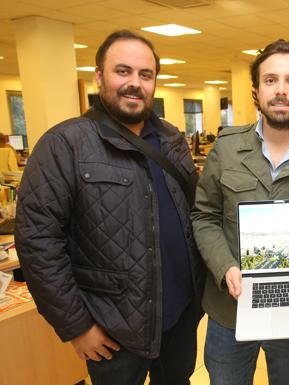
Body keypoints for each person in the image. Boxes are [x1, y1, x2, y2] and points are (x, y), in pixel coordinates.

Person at [14, 30, 205, 385]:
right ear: (100, 76)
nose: (135, 83)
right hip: (114, 329)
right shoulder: (64, 144)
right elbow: (37, 242)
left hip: (180, 316)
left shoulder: (170, 139)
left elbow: (196, 214)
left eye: (145, 75)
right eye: (123, 71)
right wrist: (76, 326)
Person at [191, 39, 289, 385]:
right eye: (271, 80)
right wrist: (224, 266)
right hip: (229, 311)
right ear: (256, 90)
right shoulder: (226, 150)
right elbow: (205, 216)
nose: (281, 90)